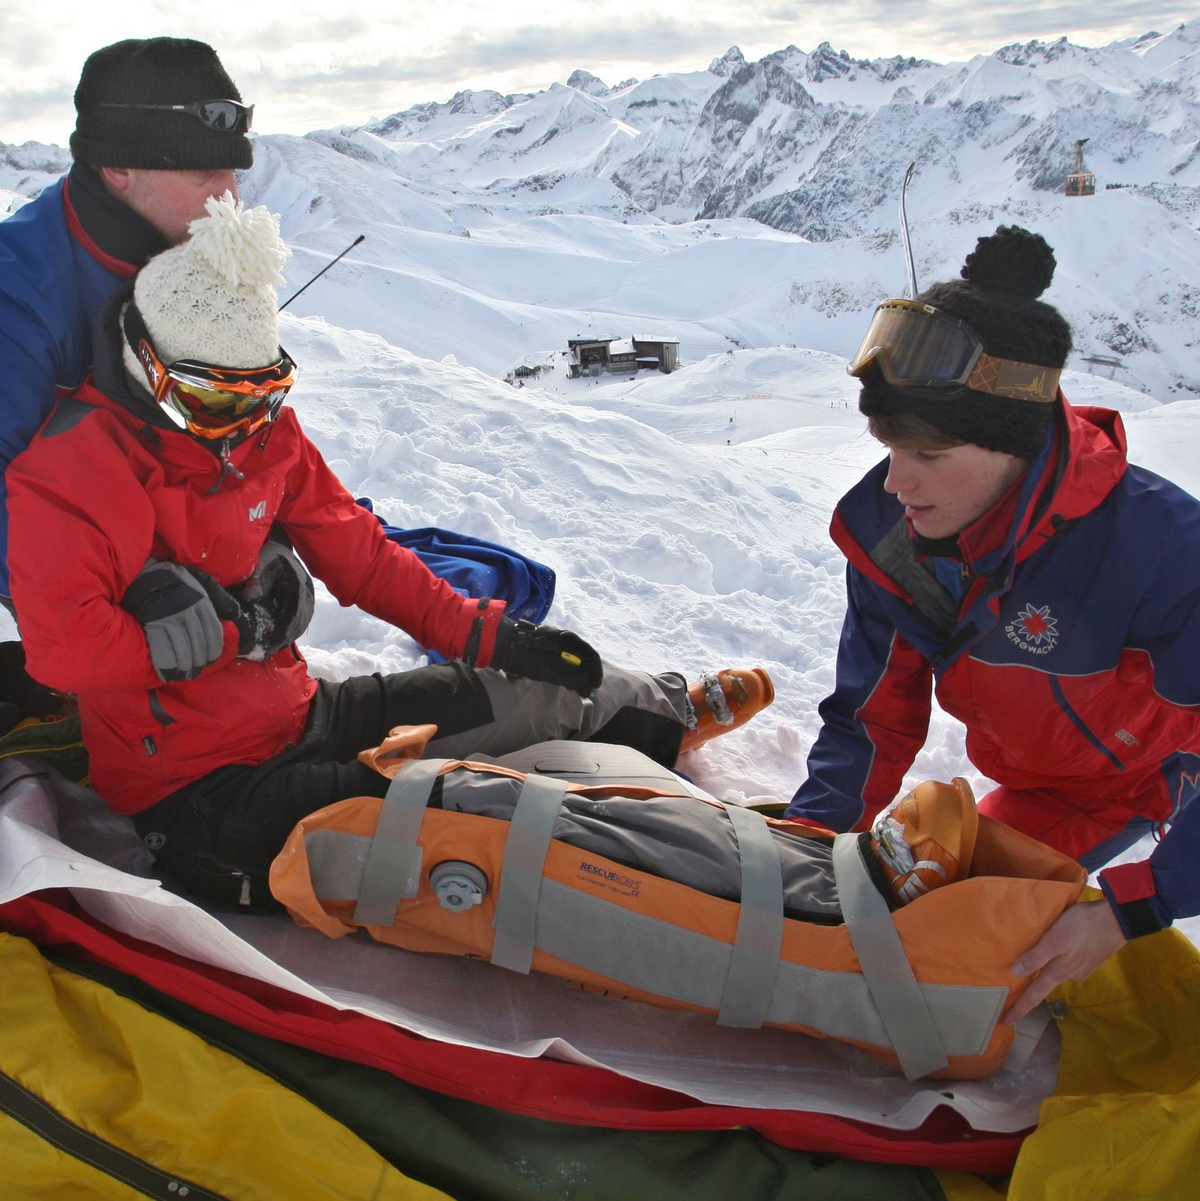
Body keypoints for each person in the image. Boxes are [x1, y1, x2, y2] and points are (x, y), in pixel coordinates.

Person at [6, 194, 772, 910]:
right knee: (474, 821)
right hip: (198, 794)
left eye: (262, 394)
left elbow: (364, 557)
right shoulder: (72, 469)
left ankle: (663, 711)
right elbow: (63, 652)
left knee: (516, 692)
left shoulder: (264, 437)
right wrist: (239, 631)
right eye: (215, 400)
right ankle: (743, 911)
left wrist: (492, 634)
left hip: (298, 715)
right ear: (149, 367)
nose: (243, 425)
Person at [785, 225, 1200, 1021]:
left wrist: (1129, 908)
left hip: (1145, 779)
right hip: (1045, 783)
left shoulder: (1156, 551)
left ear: (1014, 444)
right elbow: (870, 719)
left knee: (995, 962)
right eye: (887, 445)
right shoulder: (892, 532)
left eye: (929, 457)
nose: (897, 481)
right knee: (927, 925)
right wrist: (804, 851)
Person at [0, 36, 251, 612]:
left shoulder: (189, 252)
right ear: (116, 166)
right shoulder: (20, 296)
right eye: (206, 172)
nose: (230, 198)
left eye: (234, 172)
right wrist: (128, 580)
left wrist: (270, 535)